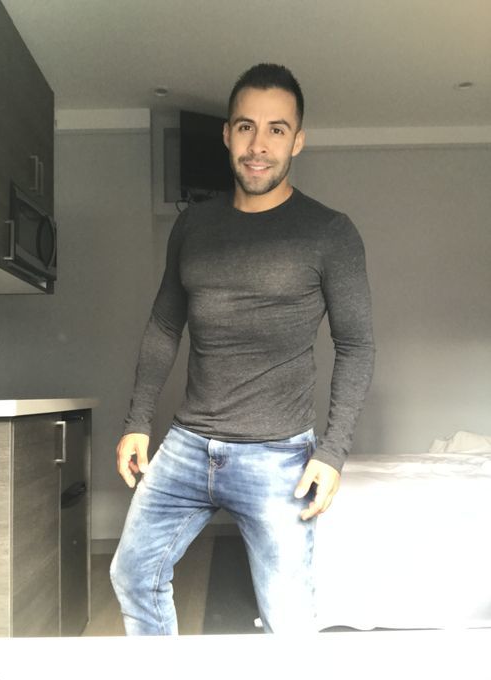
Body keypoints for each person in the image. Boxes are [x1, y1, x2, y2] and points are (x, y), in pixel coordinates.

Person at [110, 63, 375, 635]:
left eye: (277, 129)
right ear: (227, 134)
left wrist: (332, 453)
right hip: (187, 445)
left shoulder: (330, 232)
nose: (259, 145)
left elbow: (356, 345)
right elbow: (164, 324)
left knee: (289, 623)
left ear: (297, 140)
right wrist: (137, 421)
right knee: (132, 574)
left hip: (278, 457)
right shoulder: (193, 227)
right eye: (246, 127)